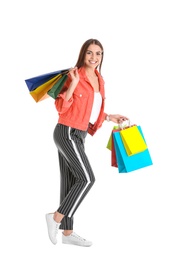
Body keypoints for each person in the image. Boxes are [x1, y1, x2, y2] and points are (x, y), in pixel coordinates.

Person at [45, 38, 129, 247]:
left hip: (80, 134)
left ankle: (67, 232)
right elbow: (62, 108)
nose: (94, 57)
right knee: (87, 179)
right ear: (83, 54)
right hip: (66, 132)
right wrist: (73, 84)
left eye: (98, 53)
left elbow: (89, 109)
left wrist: (109, 117)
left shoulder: (99, 79)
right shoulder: (74, 75)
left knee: (70, 182)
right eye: (89, 53)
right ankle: (55, 218)